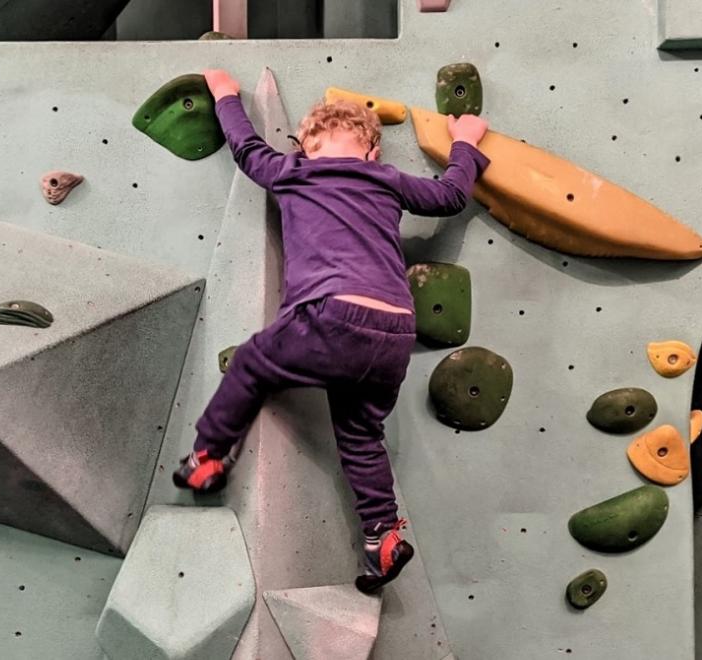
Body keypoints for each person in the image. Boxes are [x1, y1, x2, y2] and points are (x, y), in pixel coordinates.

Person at [174, 68, 490, 593]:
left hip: (333, 315)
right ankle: (383, 538)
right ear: (372, 153)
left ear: (307, 146)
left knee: (253, 361)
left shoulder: (294, 172)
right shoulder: (386, 179)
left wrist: (226, 95)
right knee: (362, 436)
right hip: (393, 332)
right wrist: (465, 144)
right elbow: (451, 197)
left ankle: (207, 457)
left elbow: (246, 148)